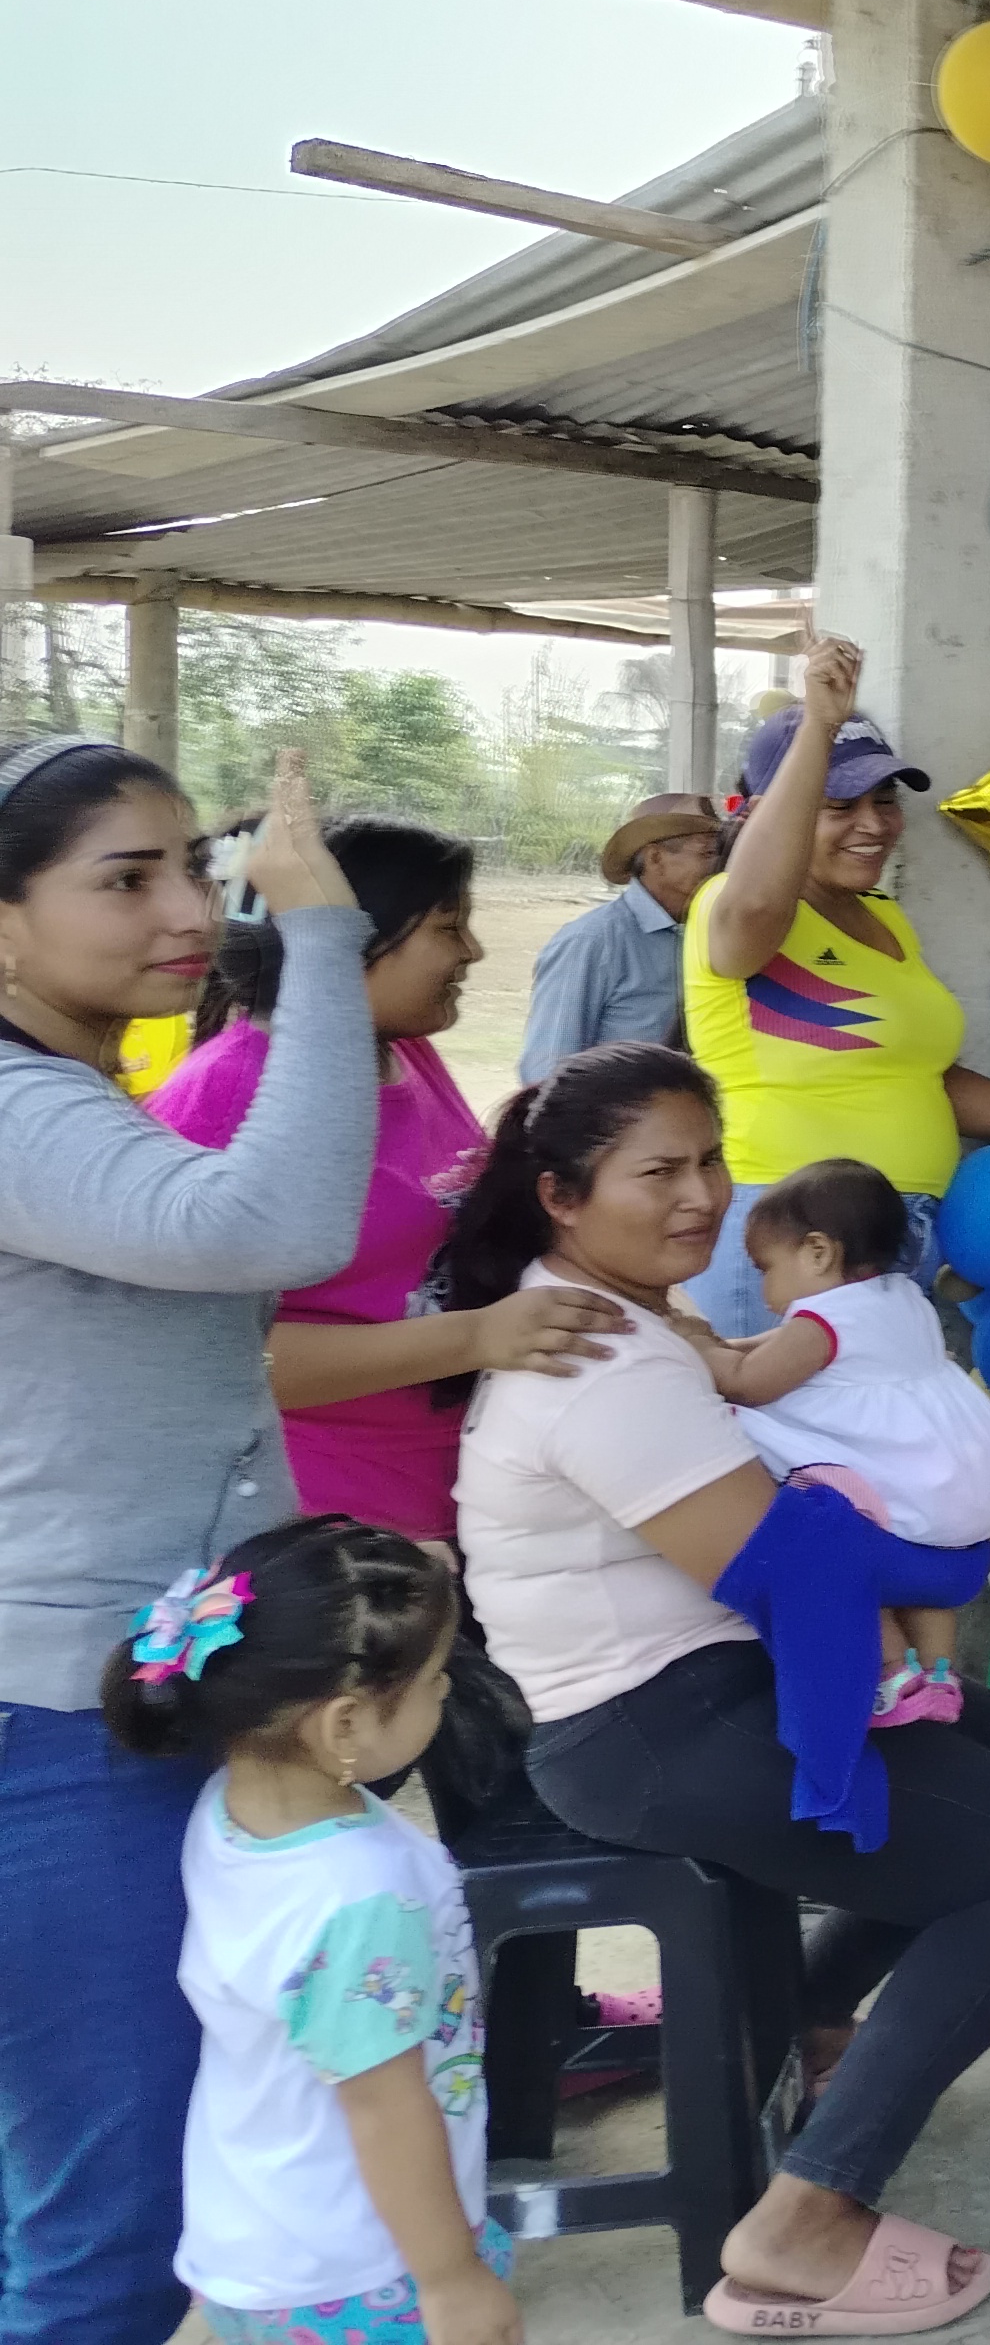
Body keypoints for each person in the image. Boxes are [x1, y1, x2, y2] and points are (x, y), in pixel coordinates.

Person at [445, 1042, 990, 2330]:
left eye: (710, 1162)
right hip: (646, 1724)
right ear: (563, 1196)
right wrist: (949, 1561)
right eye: (658, 1174)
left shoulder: (622, 1314)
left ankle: (807, 2019)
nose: (700, 1197)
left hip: (705, 1673)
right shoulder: (606, 1361)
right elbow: (789, 1573)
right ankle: (804, 2220)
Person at [0, 741, 365, 2345]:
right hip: (54, 1727)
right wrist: (324, 935)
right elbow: (272, 1229)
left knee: (97, 2196)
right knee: (113, 2238)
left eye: (195, 870)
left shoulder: (74, 1096)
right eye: (126, 879)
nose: (191, 911)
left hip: (119, 1695)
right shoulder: (15, 1107)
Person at [149, 816, 625, 1545]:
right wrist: (474, 1337)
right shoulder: (224, 1098)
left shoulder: (401, 1052)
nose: (472, 951)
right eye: (448, 927)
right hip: (327, 1519)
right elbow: (213, 1357)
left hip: (451, 1481)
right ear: (346, 941)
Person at [105, 1518, 512, 2345]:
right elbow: (384, 2107)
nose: (443, 1693)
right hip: (368, 2273)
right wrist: (451, 2279)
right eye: (435, 1680)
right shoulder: (360, 1899)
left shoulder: (232, 1808)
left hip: (259, 2236)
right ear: (343, 1726)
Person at [685, 638, 990, 1333]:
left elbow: (911, 1070)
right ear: (772, 812)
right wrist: (818, 725)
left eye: (885, 800)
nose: (873, 824)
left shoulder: (884, 918)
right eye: (839, 805)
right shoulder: (734, 907)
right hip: (794, 1232)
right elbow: (757, 901)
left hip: (892, 1233)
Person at [695, 1159, 990, 1729]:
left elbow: (749, 1383)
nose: (764, 1289)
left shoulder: (824, 1322)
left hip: (908, 1486)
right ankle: (938, 1677)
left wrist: (696, 1348)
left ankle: (891, 1672)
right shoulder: (898, 1297)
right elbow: (775, 1342)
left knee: (840, 1544)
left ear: (817, 1253)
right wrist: (730, 1345)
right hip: (961, 1491)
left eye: (766, 1268)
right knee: (927, 1585)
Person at [517, 791, 724, 1081]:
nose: (720, 867)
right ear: (655, 859)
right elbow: (548, 1069)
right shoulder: (592, 941)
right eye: (707, 854)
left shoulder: (710, 933)